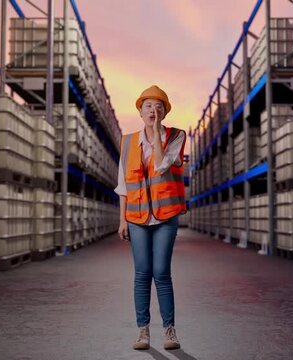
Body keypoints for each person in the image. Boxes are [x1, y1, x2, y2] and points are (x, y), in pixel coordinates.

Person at [114, 85, 187, 351]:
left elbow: (161, 164)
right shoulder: (128, 141)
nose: (153, 110)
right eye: (148, 106)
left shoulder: (177, 137)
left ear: (165, 112)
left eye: (158, 106)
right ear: (140, 111)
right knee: (142, 273)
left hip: (166, 216)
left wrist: (156, 135)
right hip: (137, 217)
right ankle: (143, 332)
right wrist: (122, 220)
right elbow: (123, 184)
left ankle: (169, 331)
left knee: (161, 273)